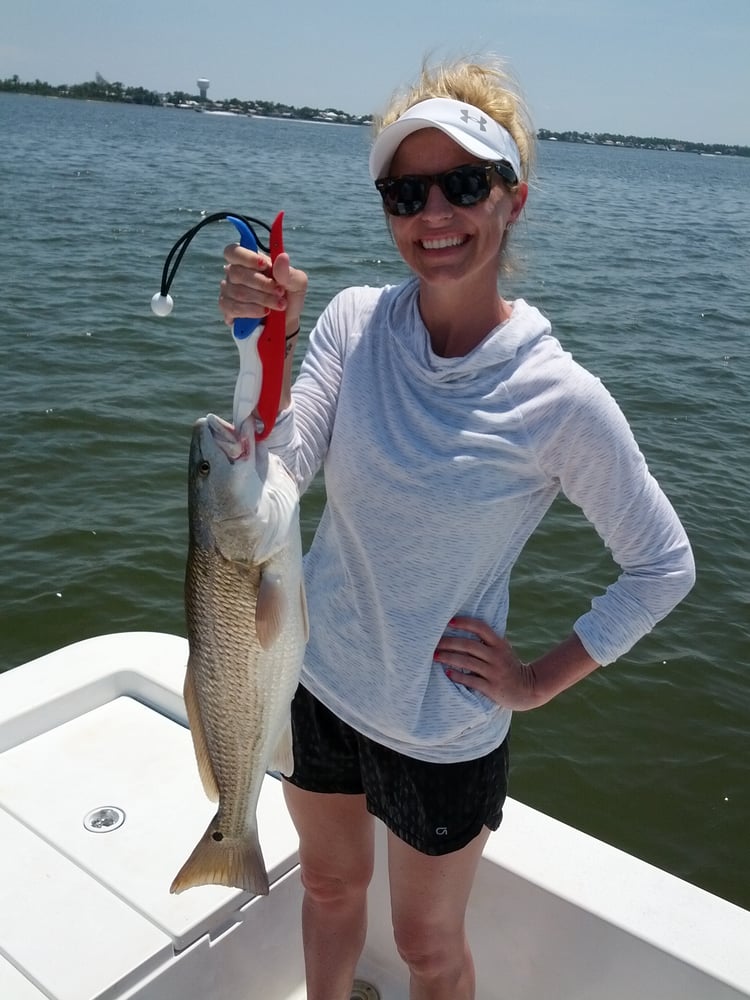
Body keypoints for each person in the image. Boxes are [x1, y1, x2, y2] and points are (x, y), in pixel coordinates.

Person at [218, 57, 695, 1000]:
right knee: (325, 886)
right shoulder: (352, 324)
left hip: (441, 729)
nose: (433, 214)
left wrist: (537, 680)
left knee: (429, 948)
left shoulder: (559, 398)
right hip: (315, 681)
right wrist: (258, 352)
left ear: (511, 199)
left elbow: (662, 565)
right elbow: (279, 470)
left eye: (464, 184)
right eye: (406, 191)